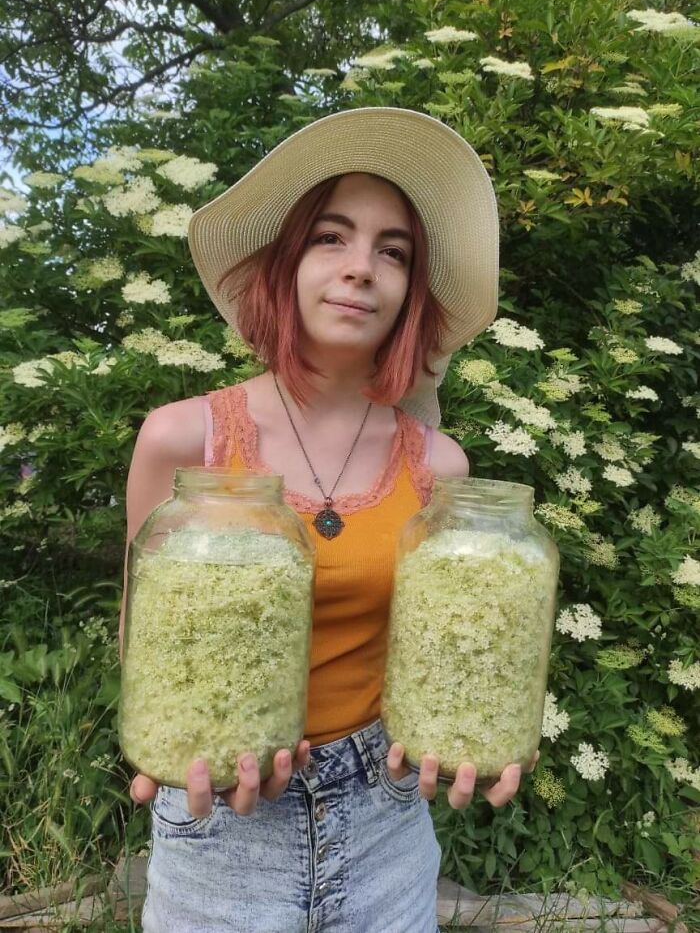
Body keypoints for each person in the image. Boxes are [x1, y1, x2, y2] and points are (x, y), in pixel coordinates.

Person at [119, 107, 539, 933]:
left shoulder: (440, 469)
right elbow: (144, 638)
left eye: (393, 252)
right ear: (286, 264)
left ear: (411, 291)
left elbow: (457, 651)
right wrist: (173, 751)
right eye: (331, 238)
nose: (361, 269)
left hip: (384, 819)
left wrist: (479, 729)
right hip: (221, 823)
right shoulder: (184, 437)